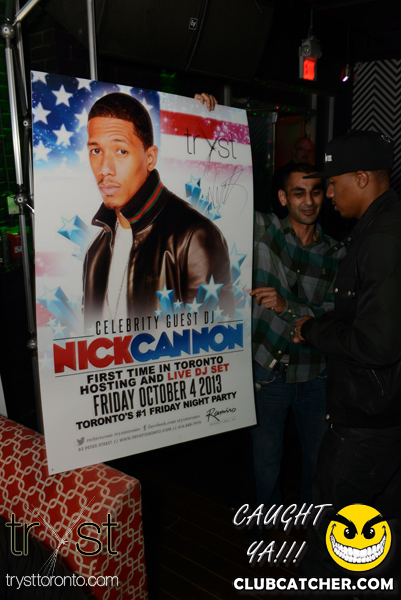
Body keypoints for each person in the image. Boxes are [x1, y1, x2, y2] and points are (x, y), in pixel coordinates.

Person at [294, 130, 401, 581]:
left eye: (334, 184)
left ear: (362, 178)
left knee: (331, 537)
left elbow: (376, 343)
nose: (330, 196)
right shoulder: (381, 225)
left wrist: (313, 329)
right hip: (386, 411)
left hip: (368, 420)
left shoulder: (384, 237)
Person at [82, 92, 234, 327]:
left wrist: (200, 112)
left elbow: (217, 336)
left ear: (150, 158)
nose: (105, 169)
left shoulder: (194, 236)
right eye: (96, 151)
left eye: (121, 151)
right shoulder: (96, 249)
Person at [250, 163, 345, 510]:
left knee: (318, 460)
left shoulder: (337, 252)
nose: (308, 201)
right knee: (265, 462)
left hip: (316, 372)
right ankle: (265, 523)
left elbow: (334, 315)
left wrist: (286, 306)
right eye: (298, 193)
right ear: (282, 197)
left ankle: (310, 525)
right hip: (268, 369)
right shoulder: (264, 231)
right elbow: (218, 198)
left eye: (315, 192)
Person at [271, 136, 315, 218]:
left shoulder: (314, 174)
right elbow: (277, 204)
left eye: (309, 151)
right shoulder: (282, 173)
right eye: (302, 150)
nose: (306, 154)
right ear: (294, 151)